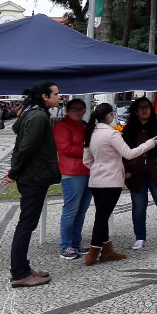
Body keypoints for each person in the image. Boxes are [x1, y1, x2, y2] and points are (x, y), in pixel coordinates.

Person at [82, 101, 157, 264]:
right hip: (110, 181)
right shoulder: (112, 134)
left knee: (102, 215)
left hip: (96, 180)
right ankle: (93, 251)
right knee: (102, 217)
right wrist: (149, 144)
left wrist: (99, 167)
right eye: (112, 114)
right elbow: (129, 153)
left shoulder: (91, 132)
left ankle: (107, 250)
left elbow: (87, 160)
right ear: (109, 116)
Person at [6, 81, 61, 287]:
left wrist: (15, 170)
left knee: (27, 224)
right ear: (45, 97)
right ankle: (19, 273)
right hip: (34, 178)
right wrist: (14, 171)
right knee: (26, 225)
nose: (59, 97)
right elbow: (27, 147)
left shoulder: (34, 113)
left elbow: (23, 145)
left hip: (33, 176)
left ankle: (23, 267)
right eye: (56, 94)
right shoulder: (38, 116)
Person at [121, 96, 157, 249]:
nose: (144, 109)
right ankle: (140, 236)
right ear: (135, 111)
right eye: (140, 107)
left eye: (147, 106)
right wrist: (127, 171)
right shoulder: (129, 128)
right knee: (138, 206)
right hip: (136, 173)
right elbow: (123, 152)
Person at [54, 98, 92, 260]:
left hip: (88, 171)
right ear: (68, 110)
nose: (79, 112)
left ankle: (75, 243)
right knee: (71, 210)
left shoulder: (84, 125)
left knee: (82, 210)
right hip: (72, 173)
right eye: (76, 109)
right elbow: (66, 148)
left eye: (82, 109)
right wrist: (88, 149)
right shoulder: (61, 126)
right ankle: (65, 245)